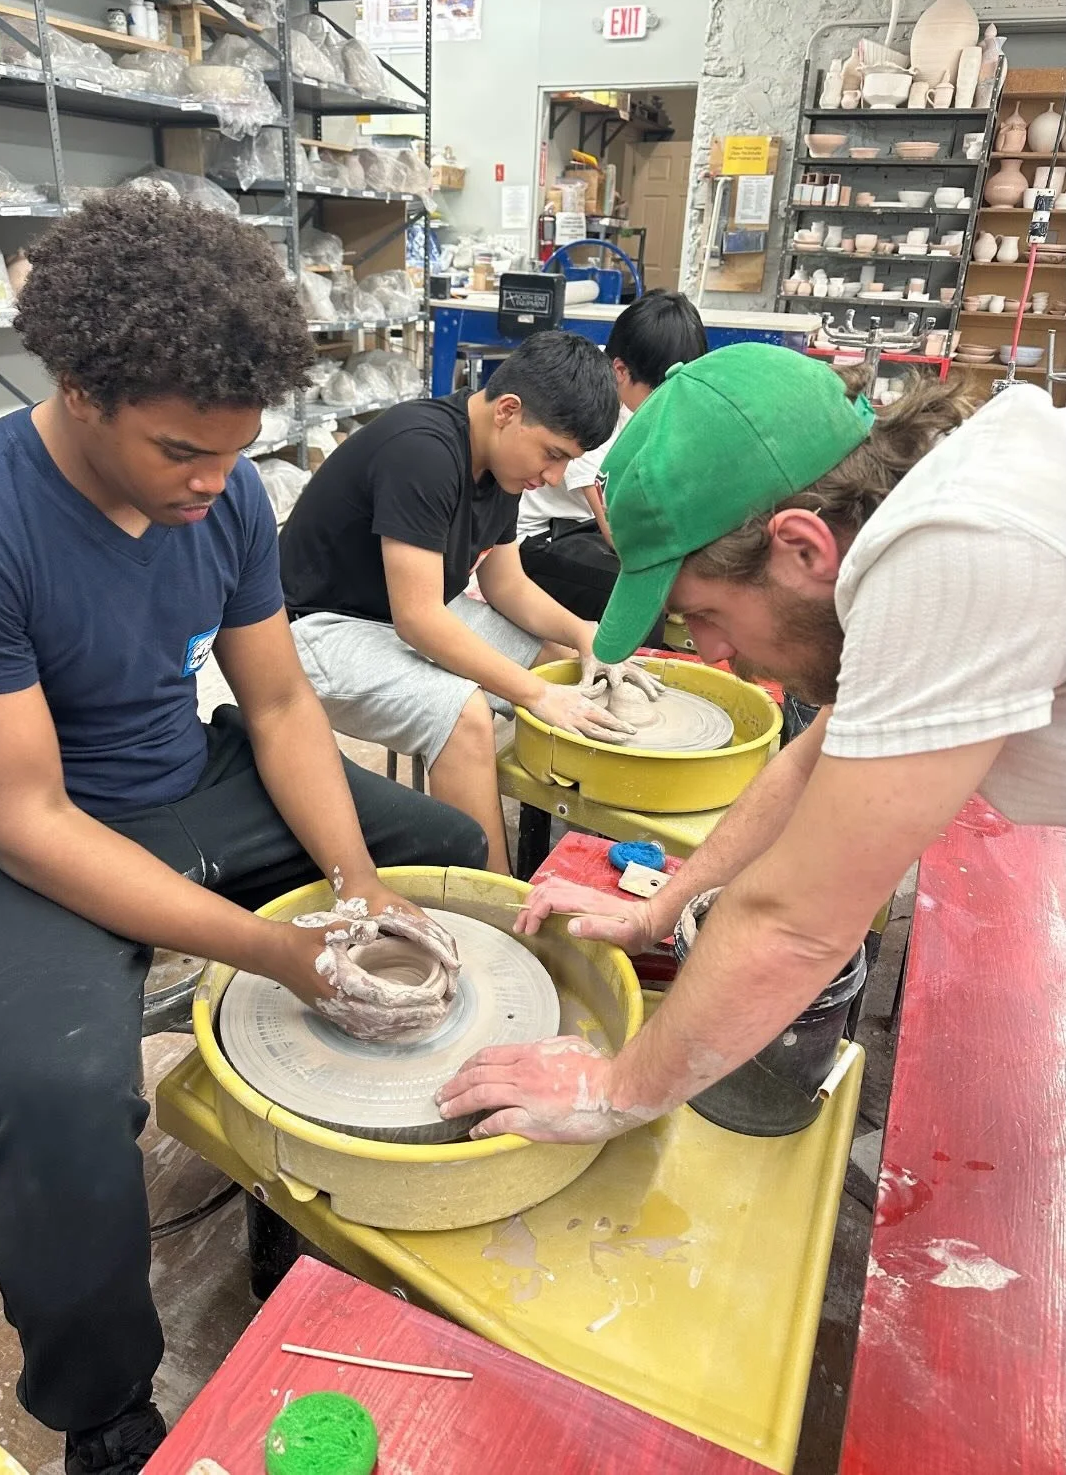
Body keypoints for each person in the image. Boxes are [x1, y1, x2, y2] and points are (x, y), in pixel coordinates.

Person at [0, 192, 486, 1474]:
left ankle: (309, 1189)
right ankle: (101, 1410)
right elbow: (30, 823)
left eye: (234, 455)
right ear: (78, 387)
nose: (214, 487)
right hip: (13, 835)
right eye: (180, 453)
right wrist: (275, 952)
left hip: (182, 776)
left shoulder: (218, 498)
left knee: (445, 853)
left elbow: (276, 703)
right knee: (58, 1096)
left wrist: (355, 883)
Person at [436, 344, 1066, 1141]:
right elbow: (813, 760)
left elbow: (798, 921)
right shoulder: (943, 505)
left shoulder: (957, 550)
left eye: (704, 613)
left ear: (801, 546)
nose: (708, 653)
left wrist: (611, 1089)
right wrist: (660, 906)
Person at [280, 330, 659, 874]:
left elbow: (507, 586)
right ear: (508, 410)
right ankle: (499, 905)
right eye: (553, 456)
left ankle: (581, 839)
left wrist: (588, 637)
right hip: (318, 630)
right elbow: (419, 621)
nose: (552, 478)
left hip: (400, 612)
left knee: (561, 662)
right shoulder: (424, 451)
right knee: (464, 715)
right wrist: (533, 695)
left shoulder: (502, 465)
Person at [516, 289, 708, 644]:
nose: (668, 405)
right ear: (620, 370)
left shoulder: (641, 401)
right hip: (540, 541)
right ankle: (624, 685)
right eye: (660, 394)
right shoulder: (591, 410)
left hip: (586, 529)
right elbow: (619, 538)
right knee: (642, 604)